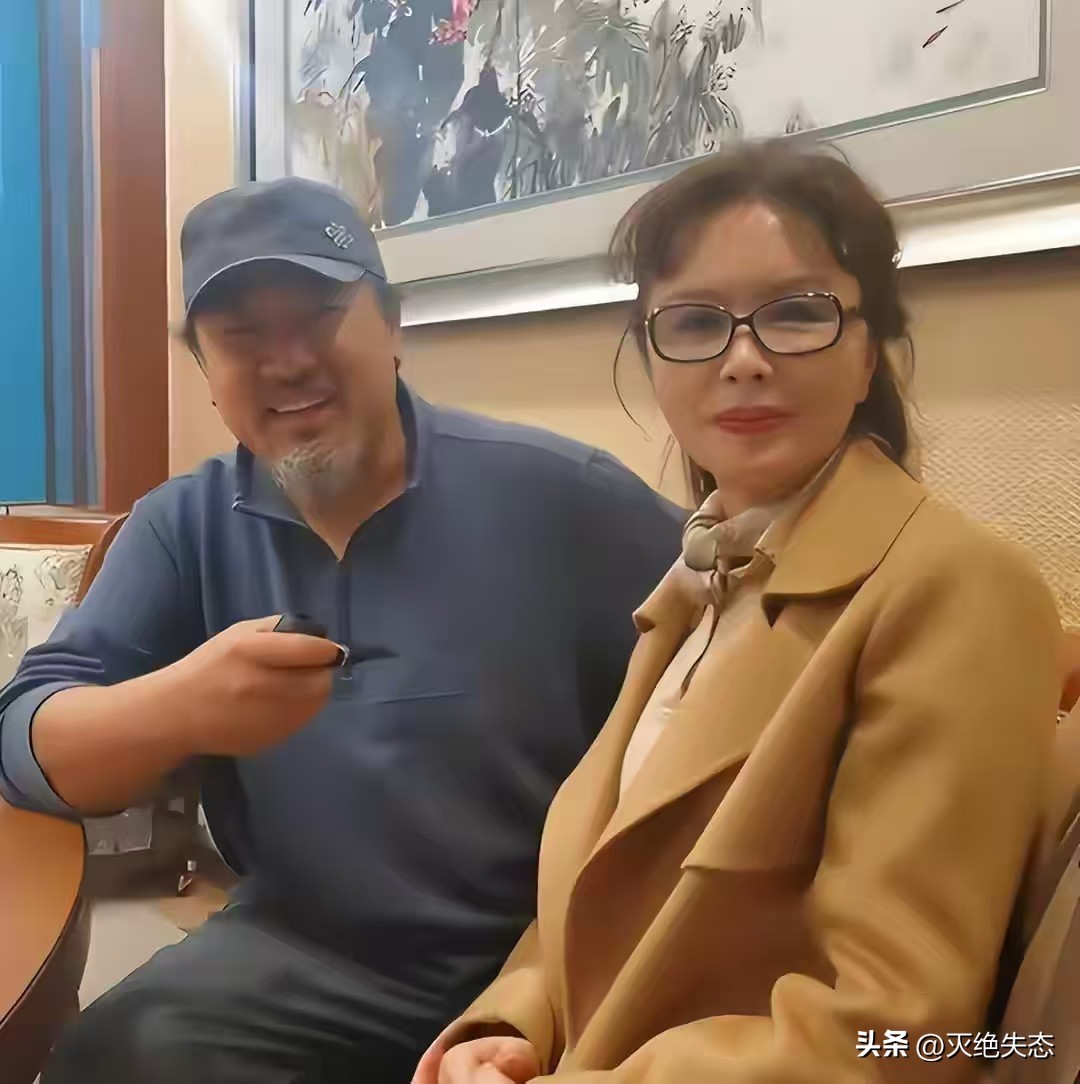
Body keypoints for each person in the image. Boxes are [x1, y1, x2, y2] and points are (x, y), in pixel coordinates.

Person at [0, 177, 684, 1084]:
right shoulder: (183, 526)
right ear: (204, 370)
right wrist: (179, 709)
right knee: (110, 1058)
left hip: (552, 948)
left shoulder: (567, 498)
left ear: (393, 325)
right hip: (305, 948)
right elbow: (24, 736)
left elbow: (736, 658)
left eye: (319, 316)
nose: (286, 362)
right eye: (241, 336)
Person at [413, 143, 1062, 1084]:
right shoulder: (700, 579)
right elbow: (595, 900)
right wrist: (509, 1025)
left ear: (870, 349)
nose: (744, 360)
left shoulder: (957, 589)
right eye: (694, 322)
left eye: (797, 313)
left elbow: (896, 1028)